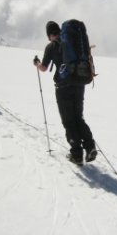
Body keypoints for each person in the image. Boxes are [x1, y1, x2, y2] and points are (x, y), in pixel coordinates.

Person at [34, 21, 97, 166]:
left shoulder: (51, 46)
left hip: (63, 88)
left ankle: (76, 155)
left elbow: (43, 68)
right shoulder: (71, 44)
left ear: (49, 35)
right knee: (78, 117)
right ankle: (89, 146)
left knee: (69, 121)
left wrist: (36, 63)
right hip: (79, 84)